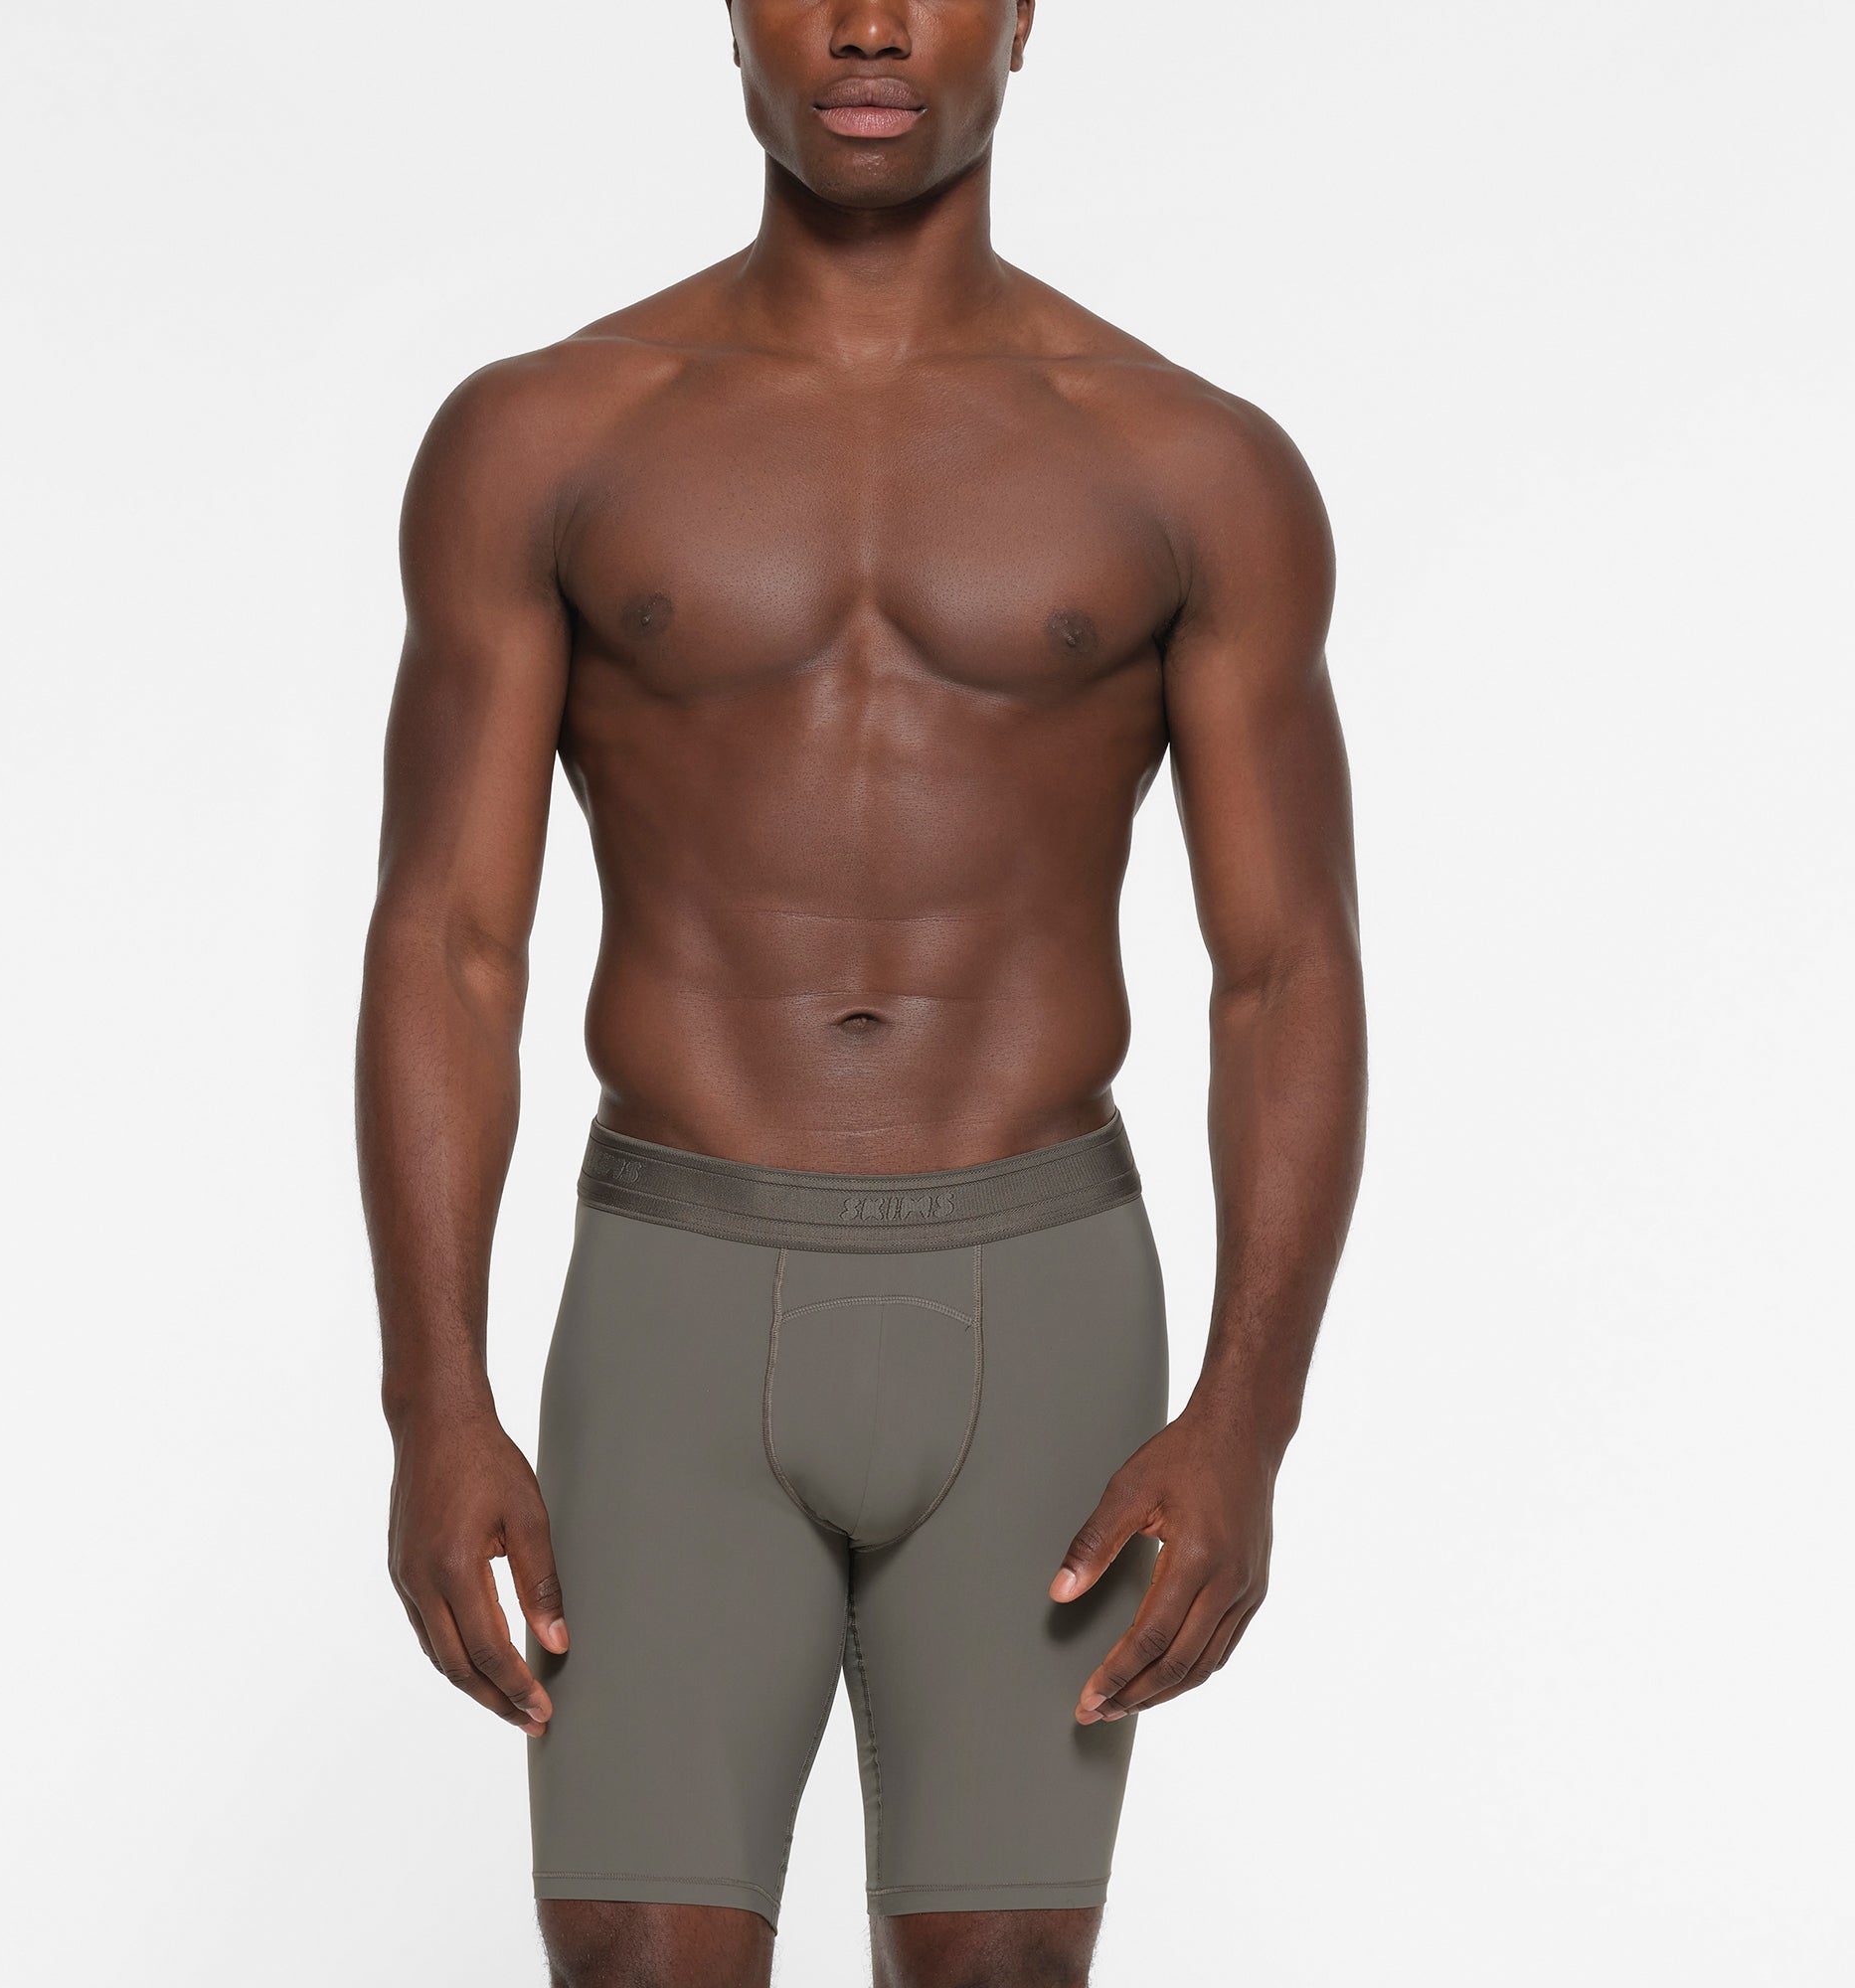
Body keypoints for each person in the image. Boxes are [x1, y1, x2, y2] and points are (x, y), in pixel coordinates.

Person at [356, 4, 1366, 1982]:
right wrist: (432, 1399)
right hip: (673, 1303)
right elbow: (448, 940)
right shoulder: (546, 438)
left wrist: (1247, 1415)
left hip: (1041, 1303)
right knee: (638, 1962)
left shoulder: (1192, 465)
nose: (874, 21)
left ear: (1025, 16)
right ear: (730, 16)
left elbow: (1284, 968)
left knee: (1003, 1972)